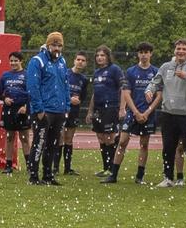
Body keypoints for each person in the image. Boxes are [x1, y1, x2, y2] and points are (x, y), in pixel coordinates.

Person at [146, 38, 186, 188]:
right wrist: (149, 90)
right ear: (174, 51)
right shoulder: (166, 66)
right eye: (178, 48)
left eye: (184, 49)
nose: (181, 51)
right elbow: (155, 82)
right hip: (168, 114)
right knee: (168, 147)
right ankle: (168, 178)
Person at [23, 32, 72, 185]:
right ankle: (33, 175)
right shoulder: (37, 61)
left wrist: (67, 106)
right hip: (44, 110)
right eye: (54, 45)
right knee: (39, 142)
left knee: (53, 144)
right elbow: (33, 86)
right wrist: (38, 109)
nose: (56, 48)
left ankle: (48, 174)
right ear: (48, 45)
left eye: (59, 45)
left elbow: (65, 85)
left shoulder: (62, 61)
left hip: (59, 109)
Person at [115, 42, 161, 184]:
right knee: (122, 142)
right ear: (137, 54)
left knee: (144, 144)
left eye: (146, 52)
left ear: (151, 54)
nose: (144, 55)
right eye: (141, 52)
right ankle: (113, 174)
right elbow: (127, 93)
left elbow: (159, 95)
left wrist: (147, 112)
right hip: (132, 112)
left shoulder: (156, 72)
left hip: (148, 113)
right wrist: (135, 112)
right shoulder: (130, 72)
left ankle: (139, 176)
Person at [87, 45, 125, 182]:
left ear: (108, 57)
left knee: (109, 137)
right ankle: (105, 167)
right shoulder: (97, 73)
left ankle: (111, 168)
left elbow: (123, 88)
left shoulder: (115, 70)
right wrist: (90, 111)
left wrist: (122, 108)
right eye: (97, 55)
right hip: (98, 108)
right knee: (101, 138)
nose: (99, 58)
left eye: (102, 55)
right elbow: (94, 93)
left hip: (111, 107)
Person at [0, 51, 30, 174]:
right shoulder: (5, 75)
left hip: (22, 109)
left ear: (21, 61)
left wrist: (26, 106)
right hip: (9, 110)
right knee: (9, 137)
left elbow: (32, 93)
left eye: (16, 60)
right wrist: (5, 99)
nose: (13, 63)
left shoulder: (27, 75)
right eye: (11, 61)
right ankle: (8, 165)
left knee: (24, 138)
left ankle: (29, 165)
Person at [61, 51, 91, 176]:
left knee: (69, 139)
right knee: (59, 139)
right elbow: (59, 90)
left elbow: (83, 96)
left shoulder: (84, 79)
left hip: (74, 112)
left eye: (83, 60)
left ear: (86, 63)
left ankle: (68, 168)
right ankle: (55, 167)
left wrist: (77, 101)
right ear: (74, 60)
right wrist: (69, 99)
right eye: (78, 59)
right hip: (62, 110)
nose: (80, 62)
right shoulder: (65, 74)